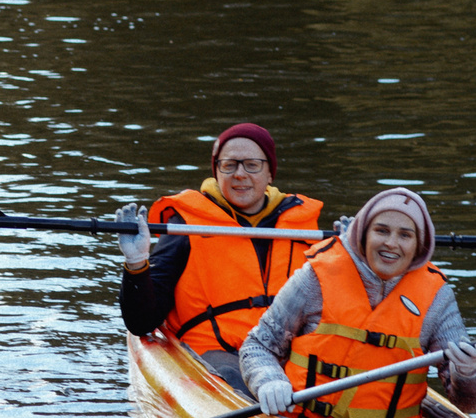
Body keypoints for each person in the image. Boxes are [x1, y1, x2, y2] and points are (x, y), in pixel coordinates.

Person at [239, 186, 476, 418]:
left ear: (419, 244)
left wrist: (470, 373)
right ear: (363, 234)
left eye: (405, 235)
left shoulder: (437, 296)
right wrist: (269, 380)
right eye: (381, 231)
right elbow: (257, 346)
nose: (391, 243)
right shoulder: (315, 277)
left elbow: (471, 404)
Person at [116, 123, 324, 392]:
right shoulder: (187, 227)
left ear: (270, 173)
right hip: (218, 356)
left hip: (289, 356)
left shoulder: (306, 228)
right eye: (229, 165)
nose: (240, 174)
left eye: (252, 165)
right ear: (216, 172)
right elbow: (141, 322)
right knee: (233, 377)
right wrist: (136, 263)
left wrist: (353, 256)